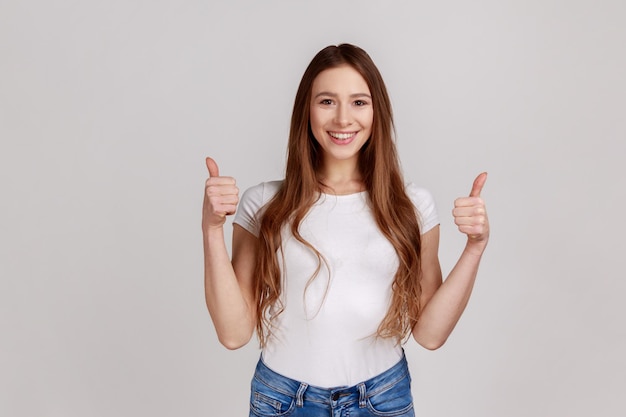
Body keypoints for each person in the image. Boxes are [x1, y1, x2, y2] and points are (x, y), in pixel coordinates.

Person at [202, 43, 489, 417]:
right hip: (285, 401)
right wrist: (211, 229)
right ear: (306, 109)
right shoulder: (264, 204)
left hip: (382, 398)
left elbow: (430, 335)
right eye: (326, 101)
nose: (342, 119)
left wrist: (475, 247)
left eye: (358, 102)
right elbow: (233, 333)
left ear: (377, 111)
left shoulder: (412, 205)